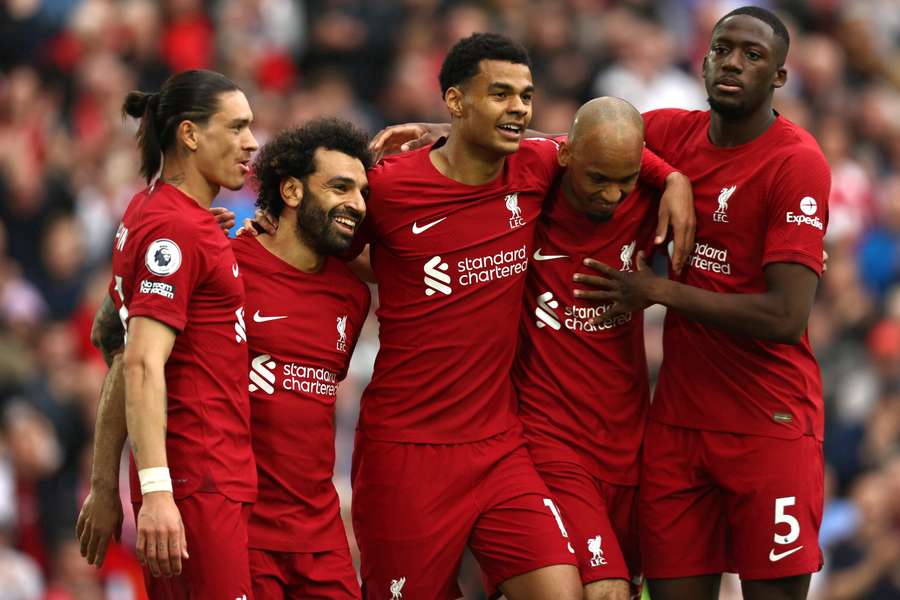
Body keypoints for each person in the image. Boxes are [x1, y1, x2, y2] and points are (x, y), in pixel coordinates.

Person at [343, 33, 691, 600]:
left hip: (499, 443)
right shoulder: (391, 186)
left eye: (525, 95)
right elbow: (328, 248)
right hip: (407, 446)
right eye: (501, 93)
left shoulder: (533, 166)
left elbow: (588, 144)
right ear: (456, 101)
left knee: (565, 591)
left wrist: (671, 178)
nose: (519, 107)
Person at [574, 7, 831, 600]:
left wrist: (658, 292)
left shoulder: (796, 162)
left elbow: (785, 317)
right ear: (704, 58)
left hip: (768, 424)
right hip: (678, 430)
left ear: (780, 77)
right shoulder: (670, 133)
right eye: (722, 50)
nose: (733, 63)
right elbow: (573, 144)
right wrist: (447, 140)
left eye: (752, 55)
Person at [76, 69, 260, 598]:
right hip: (198, 477)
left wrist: (107, 482)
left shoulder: (157, 213)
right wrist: (156, 492)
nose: (251, 143)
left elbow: (117, 350)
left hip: (197, 479)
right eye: (237, 127)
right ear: (190, 135)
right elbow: (139, 363)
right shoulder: (173, 228)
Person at [513, 96, 659, 600]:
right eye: (599, 179)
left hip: (630, 442)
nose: (613, 194)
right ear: (568, 155)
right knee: (605, 588)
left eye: (626, 179)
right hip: (551, 438)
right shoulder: (530, 199)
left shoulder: (649, 202)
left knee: (633, 586)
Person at [236, 118, 371, 600]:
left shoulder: (352, 297)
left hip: (320, 533)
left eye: (361, 191)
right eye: (340, 187)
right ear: (291, 190)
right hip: (243, 531)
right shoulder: (226, 267)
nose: (355, 203)